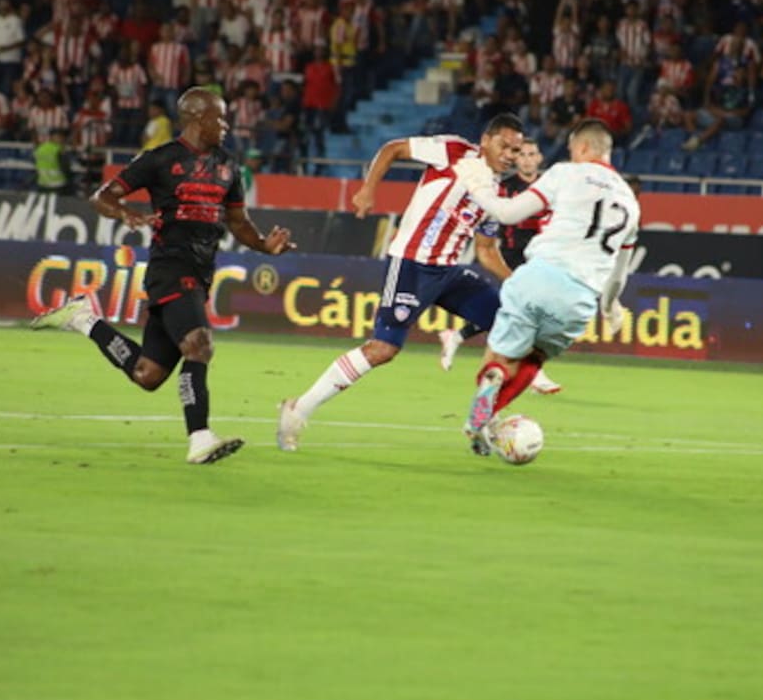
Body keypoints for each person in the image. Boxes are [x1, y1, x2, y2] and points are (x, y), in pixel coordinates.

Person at [31, 88, 296, 465]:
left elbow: (238, 221)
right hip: (171, 267)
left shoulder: (227, 165)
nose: (225, 125)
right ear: (195, 118)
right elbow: (103, 196)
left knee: (148, 374)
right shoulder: (159, 160)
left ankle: (83, 319)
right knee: (199, 345)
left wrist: (264, 245)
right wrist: (125, 214)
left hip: (200, 274)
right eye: (219, 118)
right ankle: (200, 438)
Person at [275, 114, 525, 452]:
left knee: (509, 319)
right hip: (411, 263)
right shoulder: (453, 151)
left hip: (448, 272)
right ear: (485, 140)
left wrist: (516, 284)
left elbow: (485, 251)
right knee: (383, 349)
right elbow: (393, 149)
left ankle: (482, 418)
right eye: (505, 145)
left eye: (516, 149)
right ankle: (296, 411)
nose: (511, 154)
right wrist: (367, 189)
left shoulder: (497, 195)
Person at [452, 119, 641, 456]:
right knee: (533, 360)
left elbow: (507, 214)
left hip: (535, 277)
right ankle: (489, 414)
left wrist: (476, 185)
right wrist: (611, 307)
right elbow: (617, 277)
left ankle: (492, 377)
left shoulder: (565, 173)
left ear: (582, 148)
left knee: (500, 358)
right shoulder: (631, 203)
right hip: (580, 296)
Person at [438, 140, 563, 395]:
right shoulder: (504, 189)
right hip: (511, 256)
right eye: (522, 154)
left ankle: (458, 337)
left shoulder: (550, 188)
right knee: (526, 314)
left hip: (539, 258)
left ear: (540, 158)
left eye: (532, 154)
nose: (527, 159)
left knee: (510, 313)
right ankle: (530, 374)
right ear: (516, 160)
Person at [33, 126, 74, 194]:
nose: (62, 139)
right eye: (60, 137)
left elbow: (36, 165)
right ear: (52, 137)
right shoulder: (59, 150)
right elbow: (65, 168)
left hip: (42, 184)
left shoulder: (40, 148)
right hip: (58, 185)